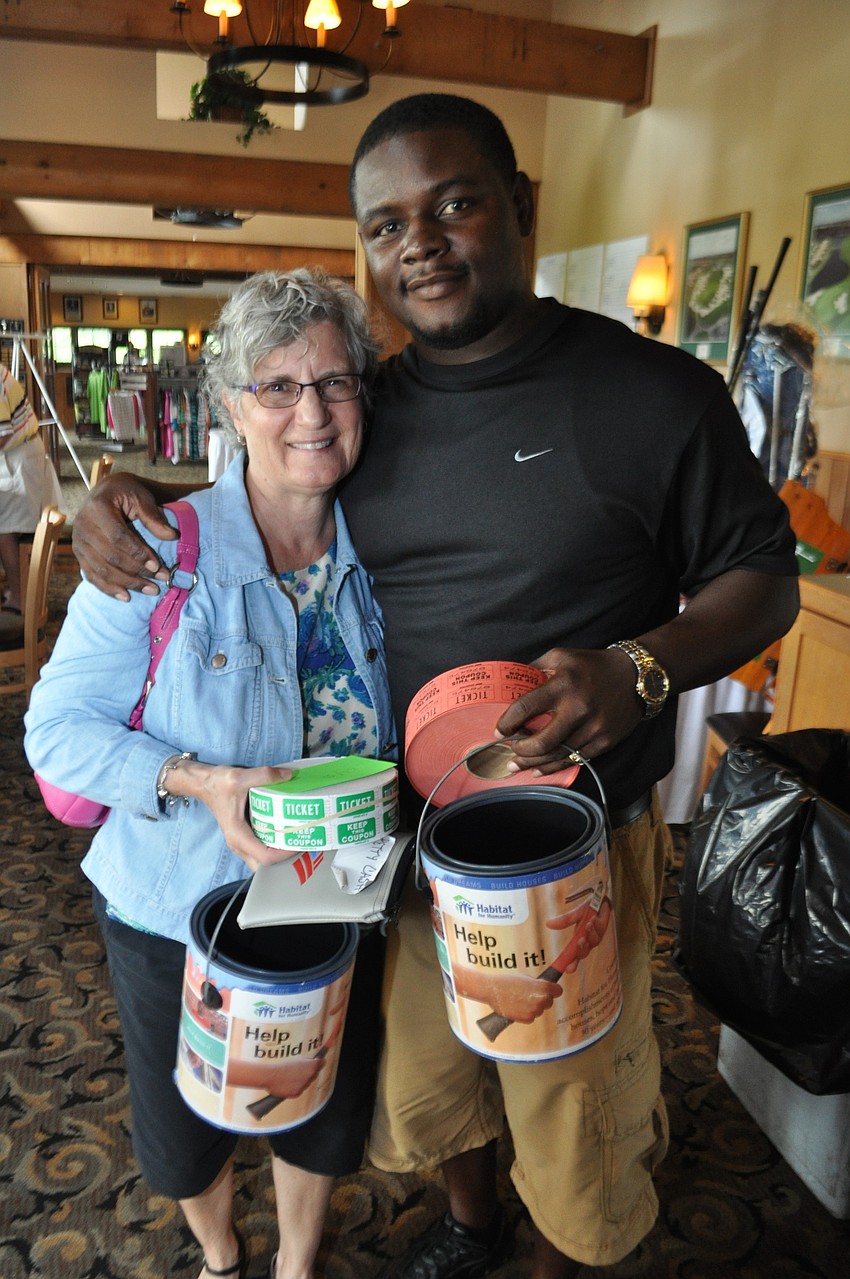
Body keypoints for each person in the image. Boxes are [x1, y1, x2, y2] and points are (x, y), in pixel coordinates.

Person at [69, 95, 799, 1279]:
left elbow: (762, 579)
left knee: (570, 1106)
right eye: (387, 223)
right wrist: (117, 489)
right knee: (430, 1080)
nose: (420, 241)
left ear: (517, 207)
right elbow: (269, 467)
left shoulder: (653, 396)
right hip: (408, 834)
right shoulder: (372, 406)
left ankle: (560, 1256)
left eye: (453, 203)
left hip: (574, 834)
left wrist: (639, 668)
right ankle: (471, 1228)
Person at [25, 268, 395, 1279]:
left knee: (321, 1092)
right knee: (188, 1120)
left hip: (339, 882)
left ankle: (296, 1263)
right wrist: (200, 780)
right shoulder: (157, 552)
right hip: (182, 894)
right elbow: (54, 732)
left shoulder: (393, 547)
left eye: (334, 383)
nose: (311, 412)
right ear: (231, 403)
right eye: (277, 386)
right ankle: (224, 1255)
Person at [0, 362, 65, 613]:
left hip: (18, 456)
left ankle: (20, 598)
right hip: (18, 454)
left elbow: (2, 434)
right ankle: (19, 590)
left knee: (5, 529)